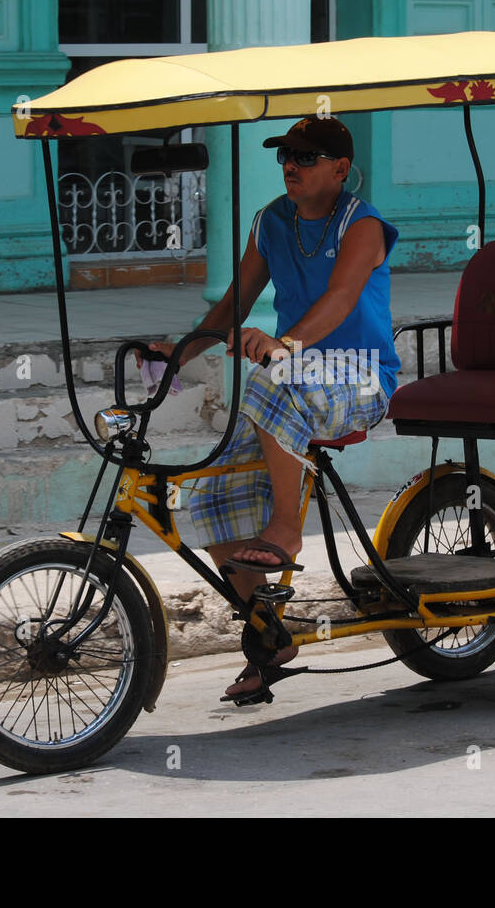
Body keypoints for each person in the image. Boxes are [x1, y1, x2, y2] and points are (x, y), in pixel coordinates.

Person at [145, 116, 400, 700]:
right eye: (286, 155)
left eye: (306, 157)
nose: (291, 164)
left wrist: (286, 344)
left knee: (267, 380)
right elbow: (233, 304)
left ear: (341, 169)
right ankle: (269, 634)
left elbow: (339, 300)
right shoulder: (270, 222)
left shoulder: (363, 225)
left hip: (359, 376)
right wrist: (180, 351)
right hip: (292, 383)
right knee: (206, 502)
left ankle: (286, 529)